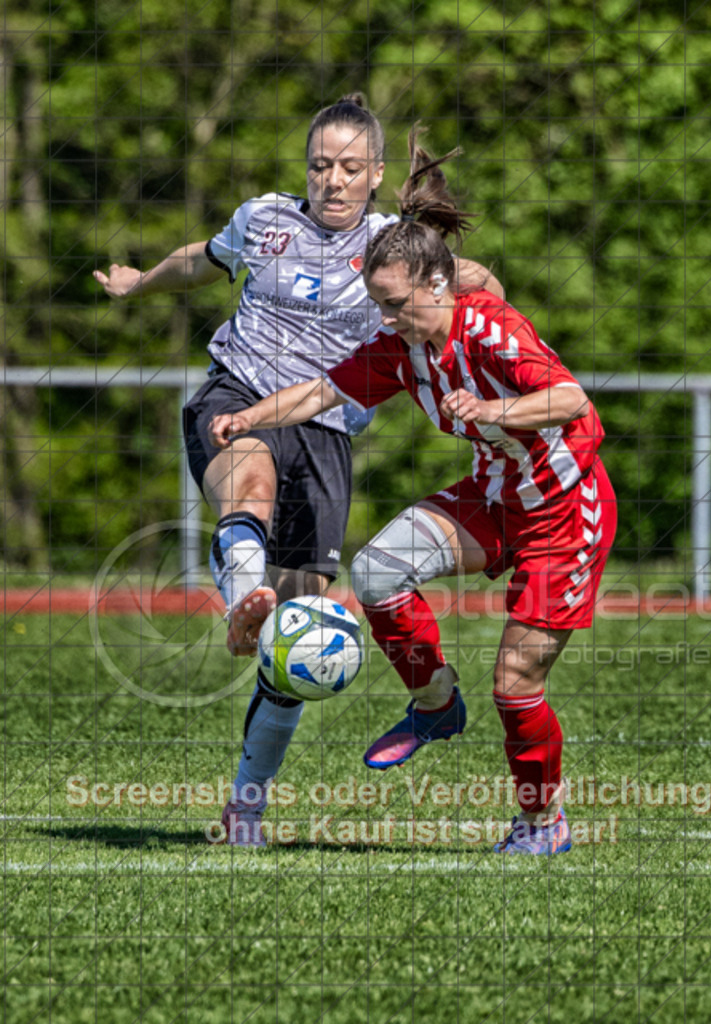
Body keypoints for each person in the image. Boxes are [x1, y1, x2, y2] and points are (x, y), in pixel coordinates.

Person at [93, 96, 501, 846]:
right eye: (320, 165)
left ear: (376, 173)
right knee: (248, 484)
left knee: (293, 651)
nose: (332, 180)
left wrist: (482, 335)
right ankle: (243, 598)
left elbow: (475, 281)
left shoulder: (393, 243)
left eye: (350, 167)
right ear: (305, 168)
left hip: (324, 429)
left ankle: (246, 803)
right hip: (238, 394)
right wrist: (142, 281)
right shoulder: (264, 219)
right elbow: (202, 259)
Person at [208, 129, 618, 856]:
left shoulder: (493, 332)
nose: (386, 319)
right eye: (377, 306)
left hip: (564, 512)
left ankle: (541, 824)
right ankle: (434, 705)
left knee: (516, 683)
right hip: (495, 498)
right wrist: (249, 415)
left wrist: (494, 412)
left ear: (435, 284)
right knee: (374, 572)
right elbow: (318, 391)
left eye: (394, 304)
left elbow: (571, 398)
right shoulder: (402, 350)